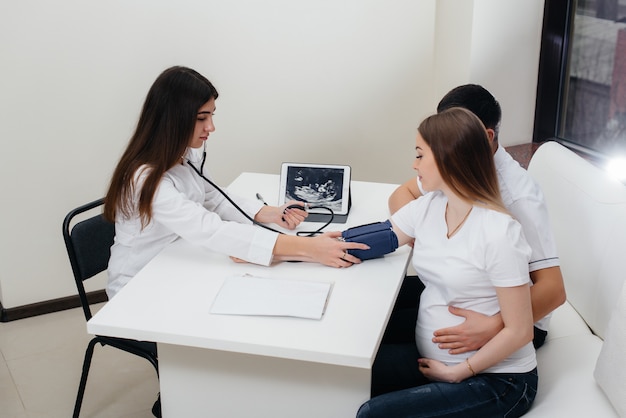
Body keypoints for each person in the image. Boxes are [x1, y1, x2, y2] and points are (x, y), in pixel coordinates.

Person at [103, 65, 368, 299]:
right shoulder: (145, 179)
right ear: (173, 119)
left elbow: (215, 198)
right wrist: (311, 248)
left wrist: (271, 213)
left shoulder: (184, 156)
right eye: (201, 118)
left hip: (178, 261)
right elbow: (210, 229)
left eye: (211, 116)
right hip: (140, 286)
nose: (211, 127)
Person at [357, 107, 538, 418]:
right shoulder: (430, 206)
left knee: (373, 414)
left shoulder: (498, 233)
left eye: (419, 155)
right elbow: (379, 237)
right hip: (435, 362)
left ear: (448, 158)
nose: (413, 165)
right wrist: (300, 247)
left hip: (498, 381)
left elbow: (520, 331)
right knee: (348, 375)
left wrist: (460, 371)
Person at [385, 84, 565, 351]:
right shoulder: (455, 165)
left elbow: (553, 289)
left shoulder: (518, 197)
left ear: (485, 135)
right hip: (461, 288)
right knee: (381, 304)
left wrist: (493, 326)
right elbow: (403, 192)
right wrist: (419, 233)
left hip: (508, 314)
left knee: (383, 337)